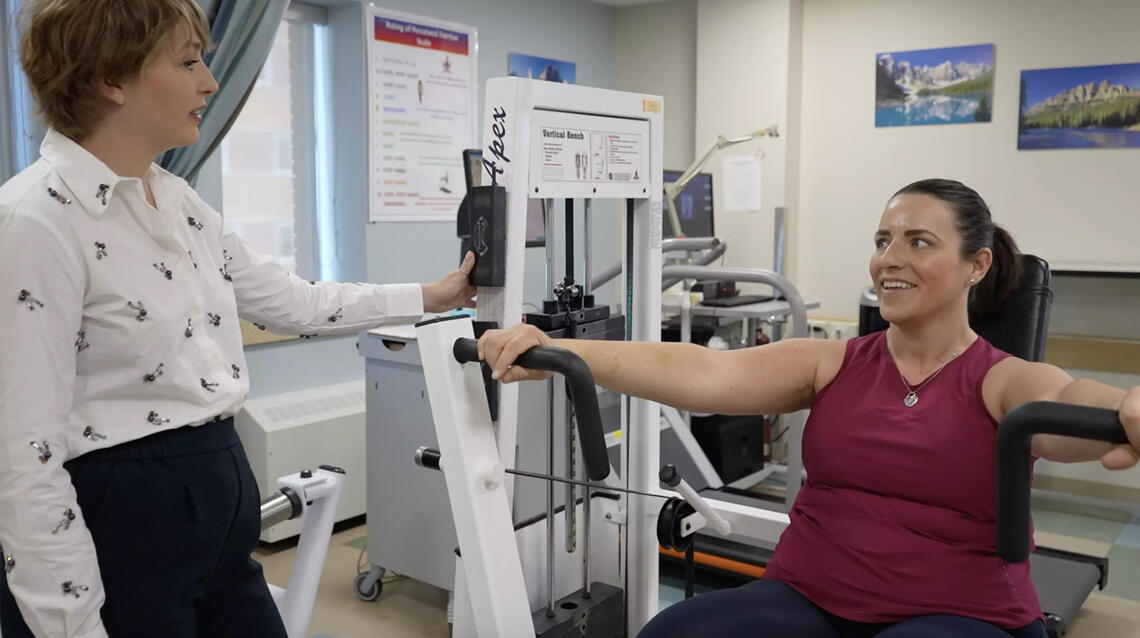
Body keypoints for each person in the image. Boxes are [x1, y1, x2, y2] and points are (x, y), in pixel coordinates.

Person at [478, 178, 1140, 637]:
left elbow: (1065, 404)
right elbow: (706, 371)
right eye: (883, 240)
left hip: (956, 612)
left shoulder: (1001, 379)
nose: (889, 259)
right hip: (809, 595)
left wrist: (1126, 408)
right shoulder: (836, 363)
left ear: (977, 265)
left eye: (918, 242)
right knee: (678, 630)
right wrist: (558, 349)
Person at [0, 2, 475, 637]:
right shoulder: (35, 221)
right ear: (111, 79)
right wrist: (73, 625)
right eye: (189, 61)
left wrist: (430, 295)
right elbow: (21, 456)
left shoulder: (174, 198)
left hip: (218, 490)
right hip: (122, 513)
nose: (210, 83)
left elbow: (291, 301)